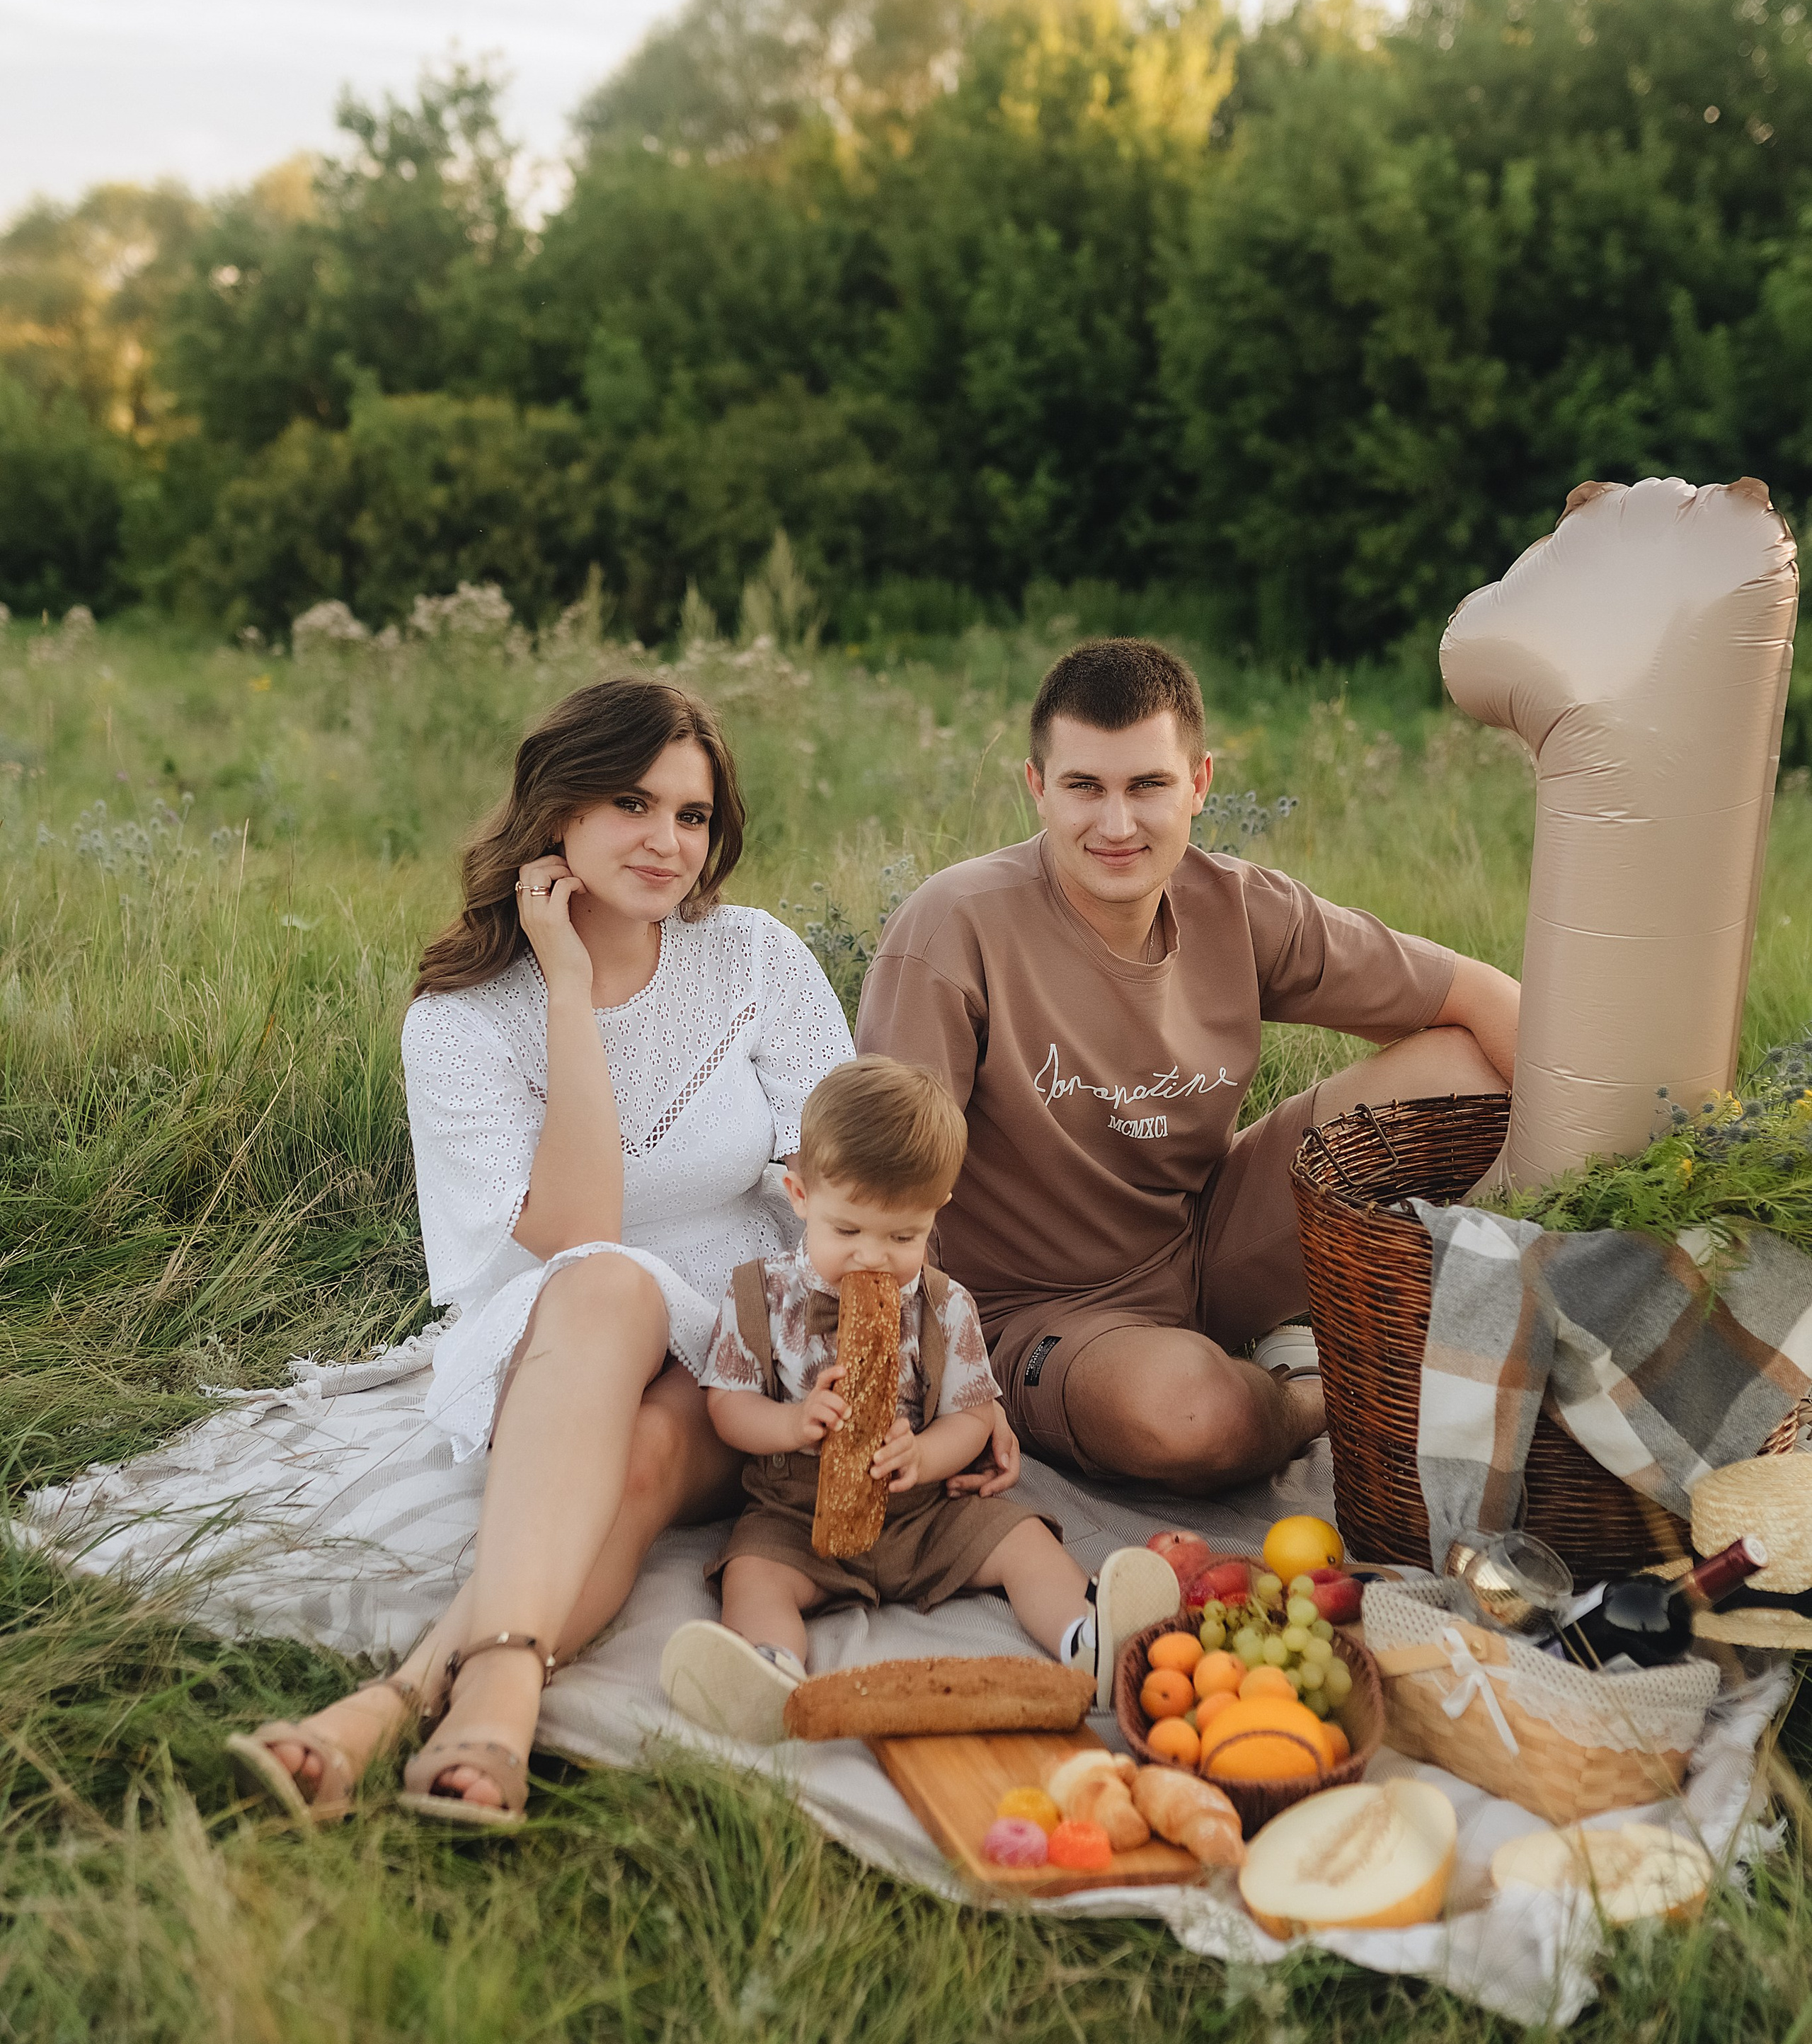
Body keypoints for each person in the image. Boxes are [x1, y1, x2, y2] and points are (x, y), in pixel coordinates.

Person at [226, 675, 856, 1829]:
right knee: (609, 1295)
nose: (667, 841)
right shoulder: (463, 1021)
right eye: (631, 801)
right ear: (557, 810)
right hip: (569, 1327)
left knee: (653, 1451)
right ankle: (485, 1707)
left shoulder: (755, 958)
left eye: (693, 813)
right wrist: (569, 985)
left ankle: (406, 1699)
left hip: (747, 1324)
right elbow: (579, 1235)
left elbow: (851, 1177)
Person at [855, 638, 1520, 1495]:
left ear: (1200, 782)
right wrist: (924, 1397)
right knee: (1202, 1415)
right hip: (1029, 1318)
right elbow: (883, 1192)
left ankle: (1267, 1334)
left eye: (1148, 786)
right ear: (1036, 787)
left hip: (1200, 1244)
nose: (1117, 824)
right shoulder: (955, 928)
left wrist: (1598, 1197)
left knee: (1467, 1070)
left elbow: (1484, 996)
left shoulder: (1239, 905)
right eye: (1084, 787)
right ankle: (1319, 1394)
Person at [658, 1057, 1179, 1740]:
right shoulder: (760, 1294)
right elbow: (727, 1406)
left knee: (1024, 1541)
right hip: (799, 1512)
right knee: (753, 1575)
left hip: (926, 1513)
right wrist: (792, 1423)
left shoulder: (945, 1304)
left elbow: (971, 1413)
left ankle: (1090, 1641)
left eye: (903, 1237)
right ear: (799, 1195)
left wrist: (927, 1455)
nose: (873, 1257)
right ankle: (770, 1671)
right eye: (847, 1231)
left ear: (937, 1215)